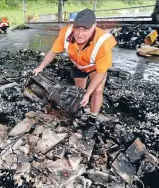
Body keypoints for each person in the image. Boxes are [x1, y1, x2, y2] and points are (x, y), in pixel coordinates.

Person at [33, 9, 117, 139]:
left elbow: (101, 73)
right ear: (73, 26)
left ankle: (92, 120)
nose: (80, 34)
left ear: (94, 27)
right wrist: (40, 67)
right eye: (78, 28)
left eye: (85, 30)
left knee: (97, 91)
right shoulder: (66, 34)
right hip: (78, 65)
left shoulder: (103, 43)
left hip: (95, 68)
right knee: (80, 91)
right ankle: (80, 110)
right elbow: (52, 52)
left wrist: (89, 93)